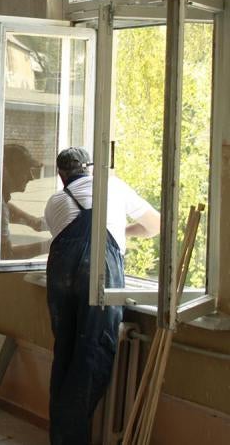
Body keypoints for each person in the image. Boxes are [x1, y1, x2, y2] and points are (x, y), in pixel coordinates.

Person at [43, 147, 160, 445]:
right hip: (98, 274)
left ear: (61, 174)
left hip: (62, 276)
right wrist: (124, 230)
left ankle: (61, 438)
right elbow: (155, 225)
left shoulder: (55, 202)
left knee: (66, 353)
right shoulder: (112, 186)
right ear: (91, 169)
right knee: (93, 352)